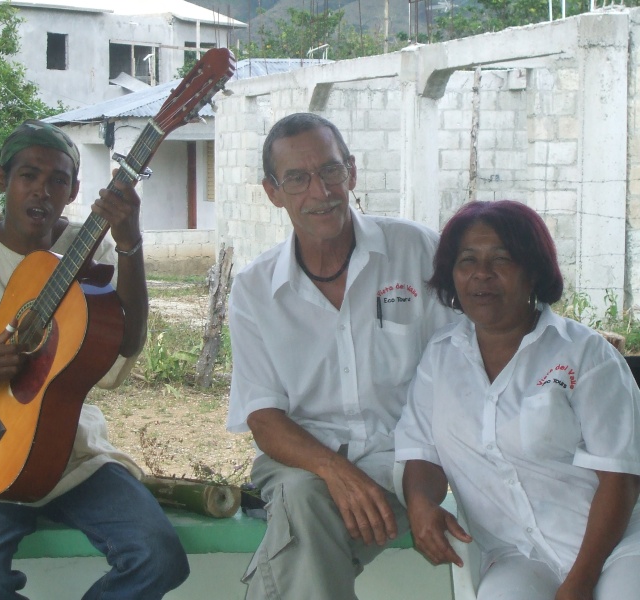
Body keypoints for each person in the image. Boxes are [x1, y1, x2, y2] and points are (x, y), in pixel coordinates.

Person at [0, 119, 189, 600]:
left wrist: (131, 243)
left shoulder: (91, 248)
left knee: (158, 556)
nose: (42, 190)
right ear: (0, 180)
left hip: (72, 453)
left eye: (58, 180)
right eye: (28, 175)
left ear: (73, 192)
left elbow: (127, 342)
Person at [226, 112, 457, 599]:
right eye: (297, 178)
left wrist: (420, 490)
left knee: (301, 521)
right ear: (273, 192)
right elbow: (263, 418)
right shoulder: (253, 290)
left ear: (351, 172)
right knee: (305, 493)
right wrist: (336, 470)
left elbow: (465, 366)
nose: (320, 191)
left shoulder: (416, 251)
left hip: (405, 461)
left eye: (330, 171)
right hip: (301, 461)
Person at [395, 200, 640, 600]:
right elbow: (421, 451)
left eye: (502, 259)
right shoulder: (439, 359)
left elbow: (621, 479)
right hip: (518, 557)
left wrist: (579, 583)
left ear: (533, 271)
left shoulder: (586, 355)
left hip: (616, 547)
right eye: (467, 260)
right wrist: (420, 503)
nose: (481, 274)